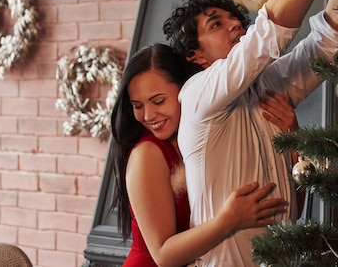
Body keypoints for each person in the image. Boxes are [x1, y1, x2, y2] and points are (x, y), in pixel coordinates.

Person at [162, 0, 338, 266]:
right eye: (216, 24)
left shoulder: (268, 86)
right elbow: (270, 32)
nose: (235, 24)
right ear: (196, 55)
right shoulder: (197, 95)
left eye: (234, 18)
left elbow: (328, 37)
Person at [110, 43, 299, 267]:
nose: (149, 115)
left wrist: (294, 142)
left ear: (186, 90)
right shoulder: (147, 153)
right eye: (137, 105)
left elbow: (288, 211)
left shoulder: (209, 139)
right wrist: (228, 221)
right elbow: (162, 256)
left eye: (158, 101)